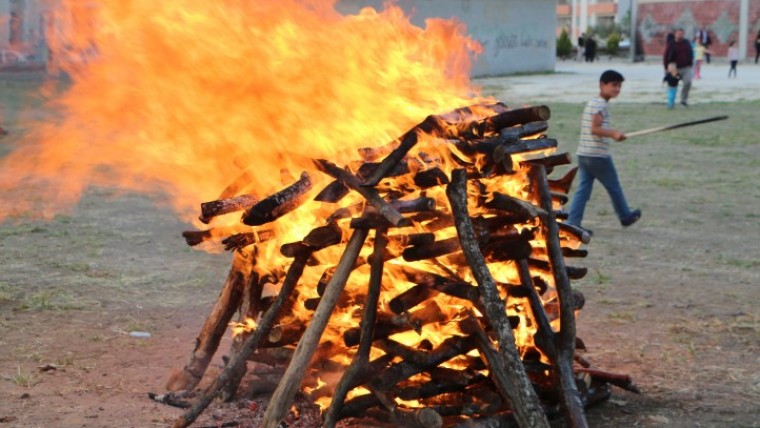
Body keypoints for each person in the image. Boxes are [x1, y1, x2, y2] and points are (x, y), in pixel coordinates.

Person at [567, 70, 641, 231]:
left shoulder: (595, 102)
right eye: (614, 85)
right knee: (613, 186)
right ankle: (625, 216)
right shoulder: (599, 104)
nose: (617, 89)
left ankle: (573, 222)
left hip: (584, 153)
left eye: (619, 86)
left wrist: (614, 134)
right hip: (597, 156)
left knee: (583, 189)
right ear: (602, 85)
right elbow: (595, 128)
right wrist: (614, 133)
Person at [663, 28, 693, 107]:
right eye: (679, 33)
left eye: (682, 34)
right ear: (675, 34)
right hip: (674, 68)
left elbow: (690, 52)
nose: (680, 35)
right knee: (673, 84)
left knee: (688, 82)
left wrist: (690, 62)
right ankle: (671, 102)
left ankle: (683, 100)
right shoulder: (671, 44)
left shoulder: (686, 43)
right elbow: (666, 56)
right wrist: (666, 68)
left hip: (686, 68)